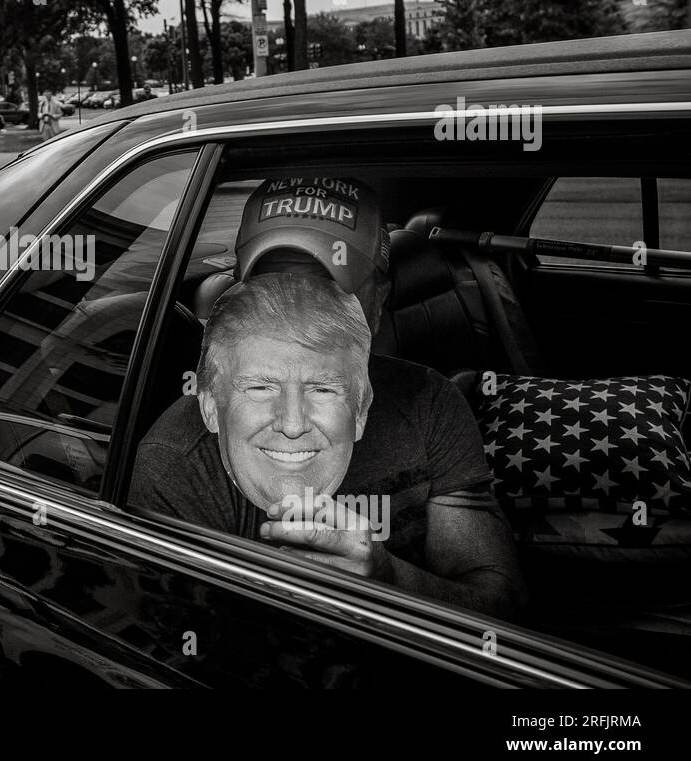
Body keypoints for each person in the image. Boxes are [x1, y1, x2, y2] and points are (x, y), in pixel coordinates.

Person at [130, 177, 526, 620]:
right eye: (274, 283)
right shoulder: (179, 464)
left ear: (379, 300)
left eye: (329, 288)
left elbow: (500, 609)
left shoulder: (429, 402)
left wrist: (386, 578)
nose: (299, 308)